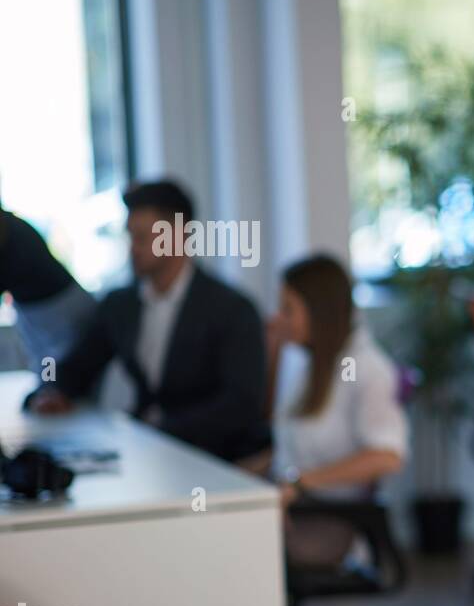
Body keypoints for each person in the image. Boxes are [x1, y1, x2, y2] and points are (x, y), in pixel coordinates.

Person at [24, 179, 269, 463]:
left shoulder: (232, 310)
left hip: (214, 458)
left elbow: (240, 405)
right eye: (130, 237)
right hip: (145, 455)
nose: (133, 249)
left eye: (142, 238)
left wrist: (158, 430)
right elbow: (78, 365)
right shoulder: (121, 305)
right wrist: (52, 390)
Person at [259, 253, 408, 565]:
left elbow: (387, 456)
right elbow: (285, 441)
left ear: (318, 311)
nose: (279, 319)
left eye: (288, 309)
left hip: (329, 519)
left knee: (229, 541)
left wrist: (300, 483)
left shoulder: (367, 369)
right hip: (299, 508)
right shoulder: (313, 366)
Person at [0, 201, 96, 376]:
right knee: (48, 370)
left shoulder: (15, 234)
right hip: (37, 312)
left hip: (60, 309)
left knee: (67, 373)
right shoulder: (12, 228)